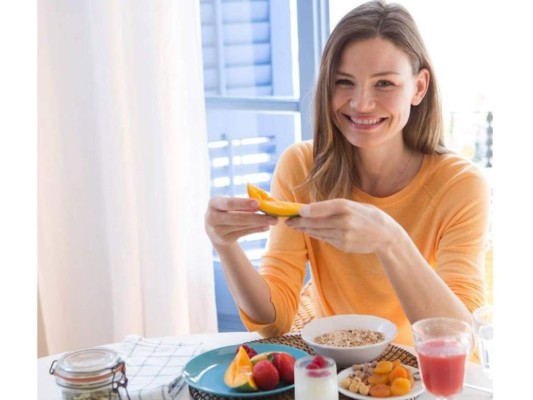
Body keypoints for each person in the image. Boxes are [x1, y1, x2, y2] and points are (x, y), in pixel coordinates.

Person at [204, 0, 489, 345]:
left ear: (418, 87)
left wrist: (389, 239)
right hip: (333, 372)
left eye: (384, 84)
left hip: (419, 376)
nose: (361, 103)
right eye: (344, 82)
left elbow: (460, 338)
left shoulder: (460, 185)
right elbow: (273, 321)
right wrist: (225, 244)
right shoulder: (301, 168)